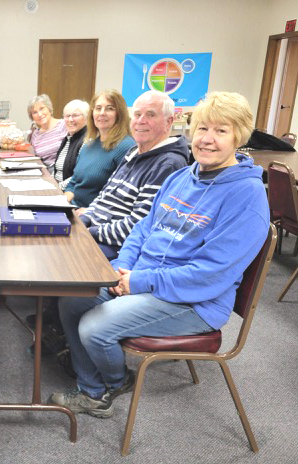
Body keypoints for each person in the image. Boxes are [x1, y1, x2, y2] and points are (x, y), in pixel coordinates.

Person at [49, 91, 269, 419]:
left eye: (221, 131)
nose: (207, 140)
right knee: (71, 299)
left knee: (95, 327)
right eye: (202, 129)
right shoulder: (182, 177)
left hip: (196, 301)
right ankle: (92, 384)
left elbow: (210, 274)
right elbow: (142, 230)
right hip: (146, 278)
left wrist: (138, 281)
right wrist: (123, 266)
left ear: (239, 136)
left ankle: (109, 386)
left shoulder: (247, 196)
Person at [76, 90, 189, 260]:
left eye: (150, 114)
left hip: (116, 247)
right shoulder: (133, 151)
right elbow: (103, 197)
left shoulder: (168, 164)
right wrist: (84, 220)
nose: (141, 121)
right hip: (96, 233)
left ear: (169, 121)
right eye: (137, 114)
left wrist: (89, 232)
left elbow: (139, 225)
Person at [64, 90, 136, 207]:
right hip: (73, 208)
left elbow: (122, 196)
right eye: (98, 108)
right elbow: (74, 182)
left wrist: (88, 212)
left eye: (110, 108)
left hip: (94, 216)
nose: (102, 113)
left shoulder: (127, 147)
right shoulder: (89, 145)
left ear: (120, 114)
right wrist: (63, 201)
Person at [53, 99, 89, 190]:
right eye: (67, 116)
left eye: (75, 115)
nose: (70, 119)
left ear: (86, 118)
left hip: (69, 192)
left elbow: (79, 176)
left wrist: (56, 188)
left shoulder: (87, 140)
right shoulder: (68, 138)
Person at [27, 94, 67, 173]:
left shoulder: (64, 125)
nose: (39, 114)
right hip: (43, 172)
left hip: (61, 172)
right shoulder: (35, 134)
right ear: (32, 117)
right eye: (35, 112)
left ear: (49, 109)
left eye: (42, 108)